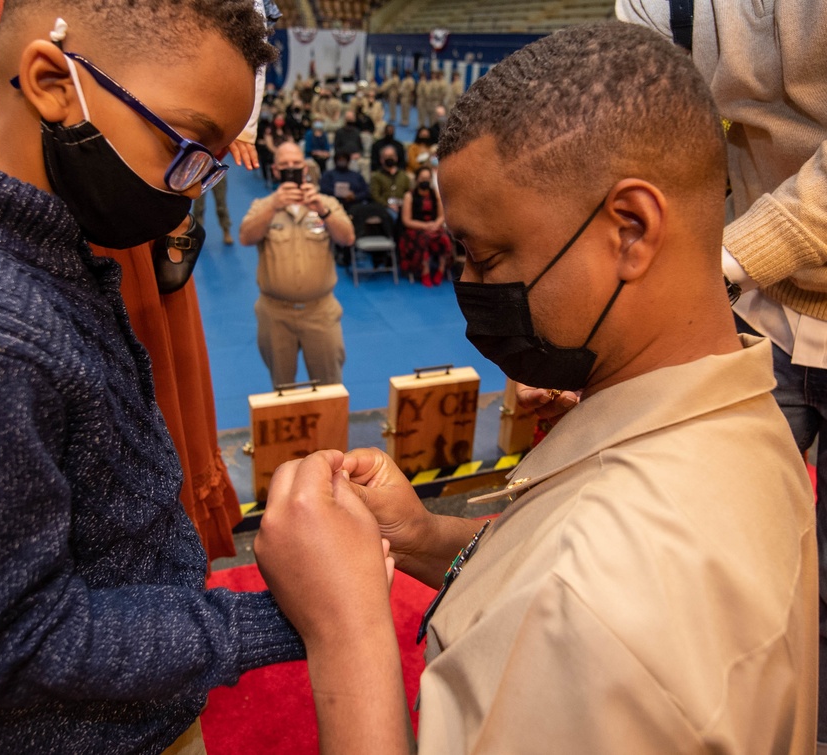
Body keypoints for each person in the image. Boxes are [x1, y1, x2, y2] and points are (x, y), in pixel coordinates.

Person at [254, 22, 818, 753]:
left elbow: (567, 592)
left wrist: (346, 627)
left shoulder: (590, 602)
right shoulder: (740, 408)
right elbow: (534, 567)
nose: (469, 286)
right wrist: (426, 539)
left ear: (632, 229)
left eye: (486, 256)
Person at [0, 3, 305, 753]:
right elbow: (9, 644)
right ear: (54, 83)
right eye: (184, 147)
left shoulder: (37, 254)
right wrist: (277, 618)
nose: (187, 194)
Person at [612, 1, 827, 747]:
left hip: (741, 266)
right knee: (703, 542)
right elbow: (641, 127)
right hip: (761, 304)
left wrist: (721, 265)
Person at [239, 141, 353, 387]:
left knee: (329, 388)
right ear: (276, 170)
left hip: (320, 312)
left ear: (305, 168)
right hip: (275, 314)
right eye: (285, 165)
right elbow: (246, 237)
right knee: (282, 388)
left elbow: (347, 238)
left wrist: (322, 211)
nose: (291, 168)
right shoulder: (263, 206)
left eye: (296, 164)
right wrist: (273, 206)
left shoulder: (326, 203)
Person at [398, 166, 452, 286]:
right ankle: (425, 271)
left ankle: (441, 269)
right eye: (422, 178)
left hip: (434, 226)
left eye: (428, 178)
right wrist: (426, 226)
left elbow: (441, 215)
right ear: (417, 179)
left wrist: (436, 225)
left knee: (444, 238)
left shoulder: (435, 194)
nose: (425, 181)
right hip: (416, 228)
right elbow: (406, 220)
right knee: (425, 239)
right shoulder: (409, 196)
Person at [191, 174, 233, 245]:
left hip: (218, 173)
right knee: (198, 207)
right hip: (201, 175)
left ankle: (226, 230)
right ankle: (196, 233)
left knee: (221, 205)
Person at [369, 144, 411, 210]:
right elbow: (375, 196)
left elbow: (408, 192)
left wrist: (404, 204)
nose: (389, 158)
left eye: (391, 156)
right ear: (381, 159)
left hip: (402, 207)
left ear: (396, 158)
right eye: (386, 156)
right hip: (384, 208)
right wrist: (388, 205)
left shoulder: (404, 176)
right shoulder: (376, 176)